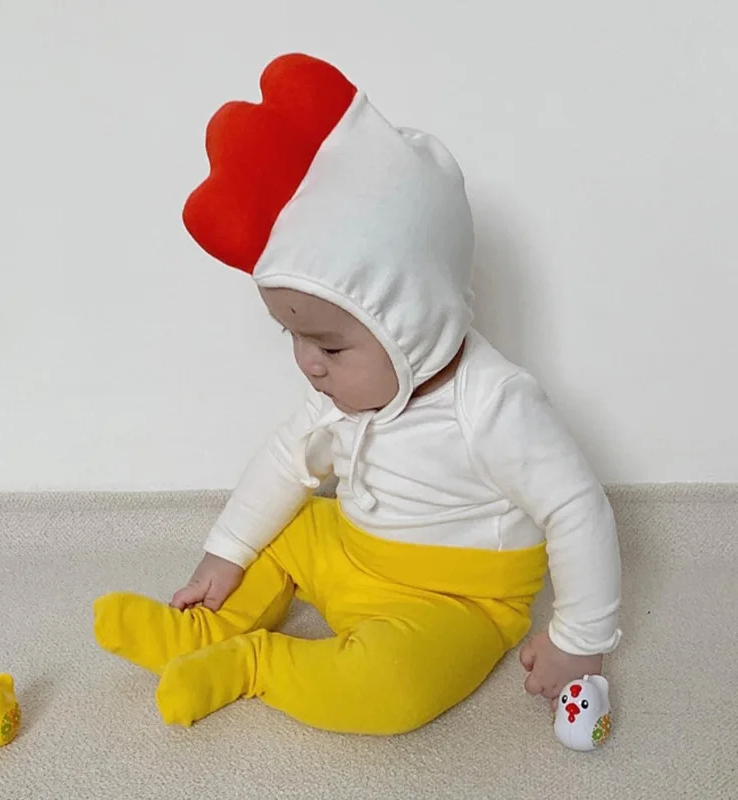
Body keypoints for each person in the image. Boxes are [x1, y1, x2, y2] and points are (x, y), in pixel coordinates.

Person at [93, 53, 621, 735]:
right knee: (285, 527)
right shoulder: (341, 397)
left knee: (392, 690)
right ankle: (204, 629)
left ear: (414, 321)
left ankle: (254, 664)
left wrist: (579, 639)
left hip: (453, 601)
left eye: (330, 347)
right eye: (292, 336)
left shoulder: (493, 405)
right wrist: (226, 554)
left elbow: (577, 508)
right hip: (350, 551)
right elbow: (284, 461)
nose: (308, 365)